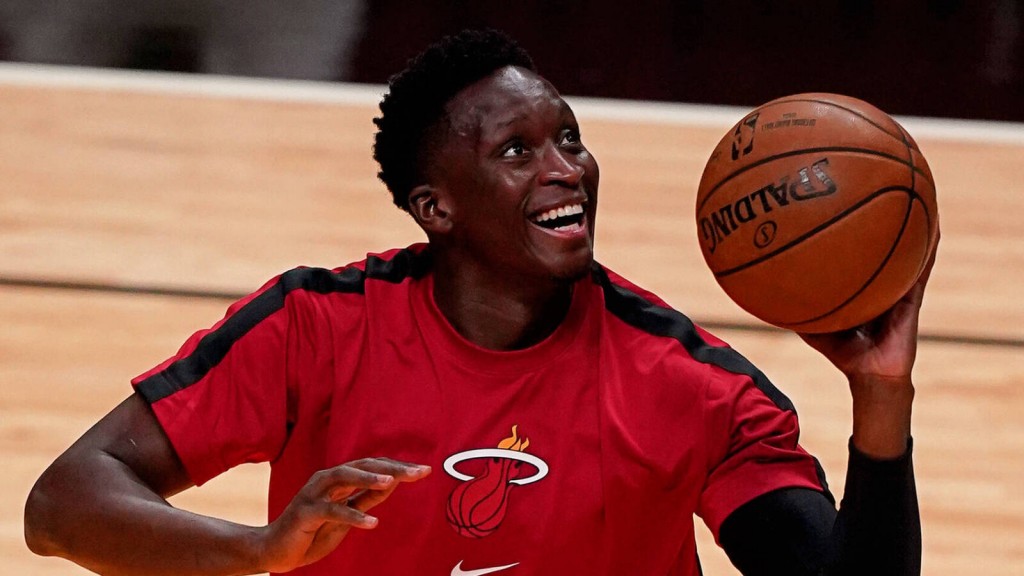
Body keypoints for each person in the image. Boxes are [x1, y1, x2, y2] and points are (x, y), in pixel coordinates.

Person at [24, 29, 931, 575]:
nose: (566, 168)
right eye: (517, 150)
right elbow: (62, 504)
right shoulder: (315, 330)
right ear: (436, 207)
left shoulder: (690, 387)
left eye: (569, 138)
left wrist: (881, 396)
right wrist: (256, 550)